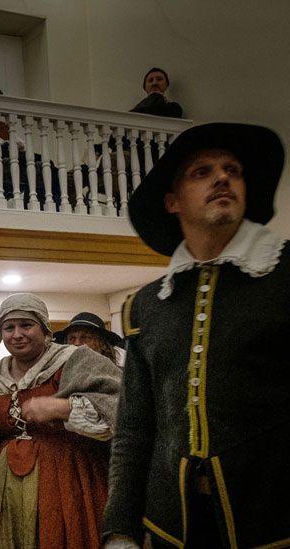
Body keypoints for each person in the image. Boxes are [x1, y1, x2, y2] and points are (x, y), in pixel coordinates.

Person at [103, 123, 290, 548]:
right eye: (201, 172)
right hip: (176, 527)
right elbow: (134, 428)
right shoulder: (149, 304)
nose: (222, 177)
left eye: (233, 170)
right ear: (172, 201)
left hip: (274, 523)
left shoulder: (284, 276)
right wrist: (121, 529)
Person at [0, 293, 122, 549]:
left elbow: (123, 406)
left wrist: (64, 407)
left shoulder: (76, 360)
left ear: (45, 329)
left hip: (69, 480)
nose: (17, 334)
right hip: (4, 487)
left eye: (26, 325)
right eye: (9, 327)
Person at [54, 312, 125, 366]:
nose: (77, 343)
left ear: (102, 343)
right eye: (72, 338)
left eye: (85, 338)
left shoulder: (121, 371)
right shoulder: (59, 373)